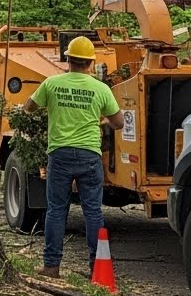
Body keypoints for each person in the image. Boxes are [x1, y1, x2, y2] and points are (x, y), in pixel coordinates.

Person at [23, 35, 123, 278]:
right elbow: (119, 122)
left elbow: (29, 107)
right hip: (89, 155)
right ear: (90, 62)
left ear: (67, 59)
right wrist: (104, 119)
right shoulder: (101, 88)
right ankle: (97, 269)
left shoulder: (52, 84)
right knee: (93, 212)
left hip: (60, 154)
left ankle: (51, 266)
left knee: (56, 210)